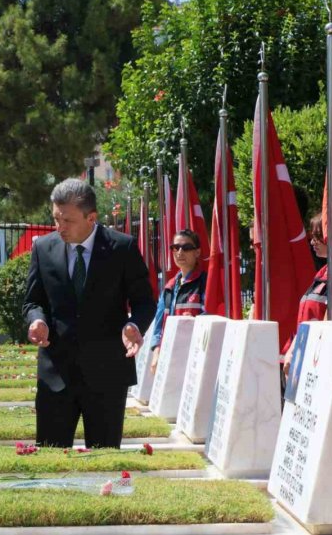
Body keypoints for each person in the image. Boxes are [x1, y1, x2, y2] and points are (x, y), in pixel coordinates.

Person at [23, 178, 155, 448]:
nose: (59, 227)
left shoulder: (122, 248)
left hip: (106, 374)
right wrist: (37, 320)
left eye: (67, 220)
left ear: (91, 217)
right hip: (56, 373)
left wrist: (134, 326)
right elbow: (32, 300)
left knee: (104, 458)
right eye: (56, 218)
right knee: (51, 459)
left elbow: (144, 302)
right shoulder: (43, 248)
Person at [283, 214, 332, 375]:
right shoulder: (324, 273)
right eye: (312, 237)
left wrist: (298, 355)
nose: (312, 242)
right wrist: (293, 350)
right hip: (311, 361)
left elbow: (326, 330)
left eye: (318, 237)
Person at [149, 229, 207, 375]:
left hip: (195, 360)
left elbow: (212, 318)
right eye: (175, 247)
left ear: (197, 252)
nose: (180, 252)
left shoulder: (205, 282)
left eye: (186, 248)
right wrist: (156, 352)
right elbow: (158, 325)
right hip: (170, 359)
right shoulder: (168, 287)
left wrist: (195, 321)